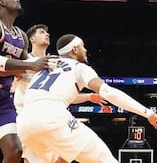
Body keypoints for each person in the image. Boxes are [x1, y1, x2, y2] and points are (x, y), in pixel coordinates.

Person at [16, 34, 157, 163]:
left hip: (25, 122)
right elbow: (108, 92)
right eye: (83, 47)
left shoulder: (41, 63)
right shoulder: (80, 67)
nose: (86, 50)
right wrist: (148, 113)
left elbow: (11, 70)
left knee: (61, 159)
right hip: (52, 117)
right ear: (75, 49)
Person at [13, 24, 105, 163]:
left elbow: (62, 96)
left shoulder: (55, 62)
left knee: (63, 158)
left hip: (51, 116)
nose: (47, 34)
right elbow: (11, 86)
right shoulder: (25, 63)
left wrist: (88, 97)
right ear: (31, 39)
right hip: (29, 116)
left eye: (47, 32)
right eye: (42, 32)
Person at [0, 0, 50, 163]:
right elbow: (29, 65)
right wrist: (31, 64)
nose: (18, 0)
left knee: (14, 150)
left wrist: (51, 67)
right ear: (2, 2)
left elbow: (27, 68)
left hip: (4, 101)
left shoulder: (20, 36)